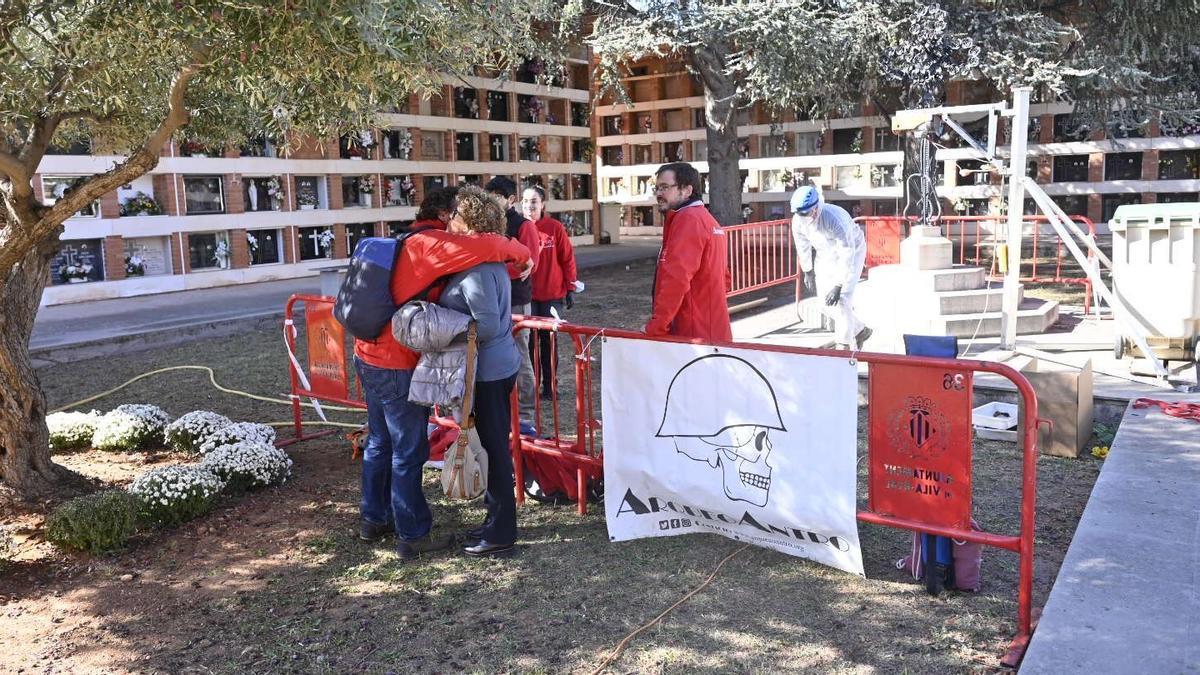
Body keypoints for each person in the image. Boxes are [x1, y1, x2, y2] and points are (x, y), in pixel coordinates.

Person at [354, 210, 532, 561]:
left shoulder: (409, 243)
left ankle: (377, 519)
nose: (452, 230)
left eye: (457, 222)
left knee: (383, 443)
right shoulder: (435, 244)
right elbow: (494, 246)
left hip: (371, 355)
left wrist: (447, 326)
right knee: (406, 451)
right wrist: (522, 254)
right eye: (449, 221)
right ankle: (413, 533)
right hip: (396, 361)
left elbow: (488, 322)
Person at [439, 185, 523, 557]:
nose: (449, 222)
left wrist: (441, 328)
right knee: (493, 446)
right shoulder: (489, 261)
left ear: (467, 222)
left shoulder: (476, 268)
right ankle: (495, 520)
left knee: (493, 449)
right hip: (498, 364)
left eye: (454, 215)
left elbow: (485, 326)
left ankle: (502, 531)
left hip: (488, 369)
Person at [644, 162, 732, 342]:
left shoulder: (688, 220)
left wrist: (657, 325)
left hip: (692, 334)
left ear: (686, 190)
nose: (658, 193)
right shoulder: (707, 220)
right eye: (657, 188)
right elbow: (725, 279)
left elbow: (676, 279)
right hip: (710, 328)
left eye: (665, 187)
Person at [484, 176, 542, 435]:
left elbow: (529, 264)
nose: (493, 200)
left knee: (520, 356)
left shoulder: (523, 225)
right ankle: (503, 409)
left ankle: (526, 414)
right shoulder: (487, 224)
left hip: (516, 300)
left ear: (510, 200)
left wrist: (492, 270)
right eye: (490, 194)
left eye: (498, 195)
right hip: (490, 300)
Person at [790, 185, 871, 350]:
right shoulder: (798, 221)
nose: (802, 217)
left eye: (805, 213)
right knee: (823, 302)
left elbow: (847, 252)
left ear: (814, 208)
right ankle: (859, 330)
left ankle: (844, 346)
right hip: (825, 253)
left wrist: (838, 284)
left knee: (842, 299)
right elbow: (802, 245)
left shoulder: (834, 217)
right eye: (799, 214)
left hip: (852, 251)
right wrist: (808, 271)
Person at [522, 185, 578, 400]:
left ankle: (550, 385)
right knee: (529, 342)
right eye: (525, 201)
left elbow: (567, 258)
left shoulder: (554, 227)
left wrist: (570, 287)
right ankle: (531, 385)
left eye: (534, 201)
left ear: (543, 203)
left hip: (552, 294)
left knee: (549, 342)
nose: (529, 205)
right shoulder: (518, 227)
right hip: (527, 295)